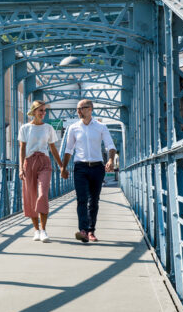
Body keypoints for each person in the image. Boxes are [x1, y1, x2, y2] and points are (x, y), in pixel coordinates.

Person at [61, 99, 117, 243]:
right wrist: (63, 167)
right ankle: (83, 231)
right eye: (77, 109)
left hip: (97, 167)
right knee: (82, 200)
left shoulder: (101, 127)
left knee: (94, 201)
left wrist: (110, 160)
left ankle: (91, 230)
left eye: (82, 108)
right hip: (80, 167)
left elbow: (110, 145)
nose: (78, 111)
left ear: (90, 109)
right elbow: (68, 149)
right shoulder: (73, 128)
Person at [18, 100, 66, 243]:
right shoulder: (25, 128)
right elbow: (22, 149)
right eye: (41, 110)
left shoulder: (48, 128)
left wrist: (61, 165)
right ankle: (36, 230)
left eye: (44, 110)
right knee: (31, 197)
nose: (43, 113)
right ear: (33, 112)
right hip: (29, 162)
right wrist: (21, 168)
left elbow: (53, 148)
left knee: (43, 194)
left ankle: (44, 230)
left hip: (44, 162)